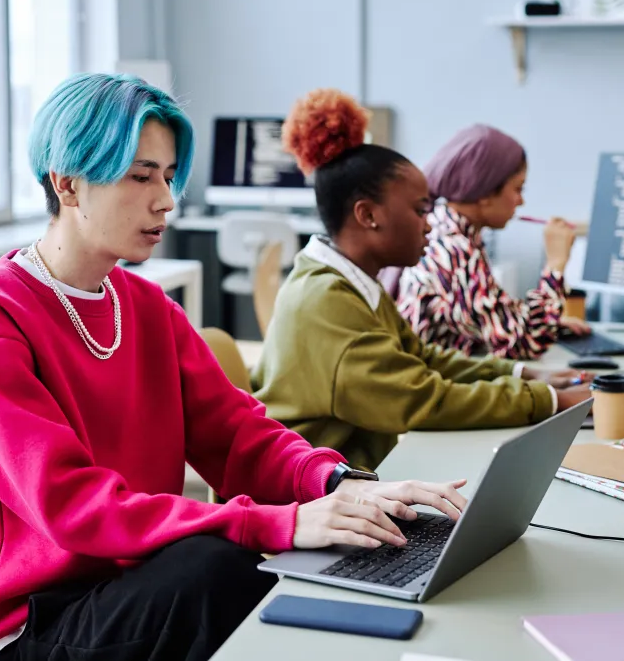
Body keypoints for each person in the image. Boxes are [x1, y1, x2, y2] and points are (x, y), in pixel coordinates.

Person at [0, 73, 470, 661]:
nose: (165, 199)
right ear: (69, 185)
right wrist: (276, 524)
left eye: (167, 175)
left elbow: (241, 437)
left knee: (333, 555)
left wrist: (344, 486)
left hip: (136, 582)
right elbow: (72, 507)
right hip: (37, 623)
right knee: (226, 559)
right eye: (140, 176)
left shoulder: (147, 307)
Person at [251, 90, 592, 472]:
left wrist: (526, 374)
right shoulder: (327, 301)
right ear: (368, 215)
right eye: (420, 210)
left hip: (347, 476)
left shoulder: (351, 281)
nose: (430, 223)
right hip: (301, 498)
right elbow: (421, 400)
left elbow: (423, 359)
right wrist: (549, 400)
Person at [386, 124, 589, 361]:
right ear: (483, 193)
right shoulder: (453, 248)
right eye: (517, 188)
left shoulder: (448, 228)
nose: (521, 201)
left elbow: (488, 316)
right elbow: (524, 344)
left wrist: (548, 320)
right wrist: (556, 263)